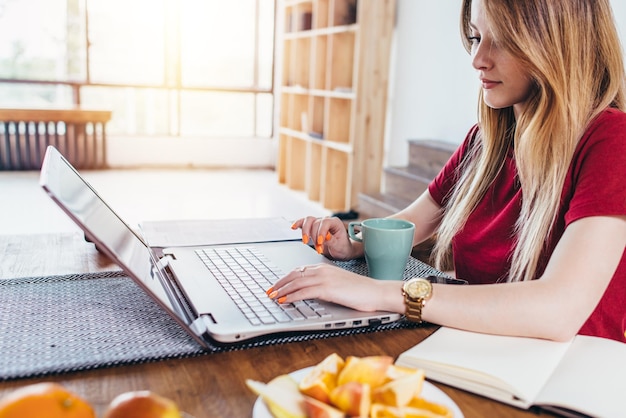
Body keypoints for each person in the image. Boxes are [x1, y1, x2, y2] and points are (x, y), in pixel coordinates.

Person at [267, 0, 626, 343]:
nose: (477, 59)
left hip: (561, 381)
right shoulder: (485, 142)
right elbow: (412, 221)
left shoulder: (612, 140)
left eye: (501, 40)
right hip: (477, 351)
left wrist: (383, 293)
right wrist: (353, 241)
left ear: (557, 42)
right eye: (476, 37)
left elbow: (558, 311)